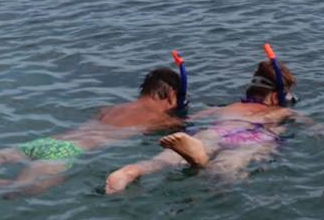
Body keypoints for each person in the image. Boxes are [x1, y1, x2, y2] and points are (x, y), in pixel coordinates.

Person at [0, 66, 185, 197]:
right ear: (170, 95)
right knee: (21, 189)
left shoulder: (110, 108)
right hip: (66, 152)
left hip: (44, 142)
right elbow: (182, 135)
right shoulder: (158, 120)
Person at [105, 55, 300, 194]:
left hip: (215, 131)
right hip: (253, 137)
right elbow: (313, 127)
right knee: (224, 177)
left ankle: (129, 172)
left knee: (159, 162)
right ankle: (200, 161)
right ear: (276, 96)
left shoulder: (227, 107)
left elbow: (186, 120)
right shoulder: (282, 111)